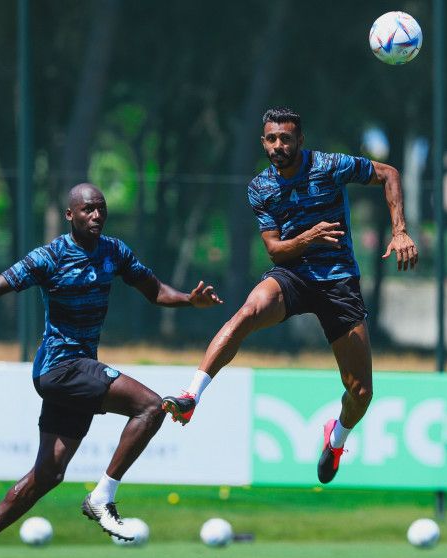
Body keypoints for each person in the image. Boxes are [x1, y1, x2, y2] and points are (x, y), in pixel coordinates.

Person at [0, 183, 220, 558]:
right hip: (60, 368)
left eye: (101, 209)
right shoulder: (51, 256)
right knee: (149, 406)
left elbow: (155, 291)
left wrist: (189, 300)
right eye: (88, 209)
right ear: (70, 215)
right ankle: (101, 498)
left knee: (49, 473)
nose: (96, 215)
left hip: (73, 376)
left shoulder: (114, 251)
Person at [162, 107, 418, 484]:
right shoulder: (260, 187)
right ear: (263, 142)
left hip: (338, 280)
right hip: (292, 273)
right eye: (271, 139)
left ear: (300, 140)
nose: (279, 145)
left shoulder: (330, 165)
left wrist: (399, 231)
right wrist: (309, 237)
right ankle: (191, 396)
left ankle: (336, 438)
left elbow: (389, 174)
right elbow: (276, 251)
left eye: (286, 138)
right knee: (247, 313)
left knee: (361, 392)